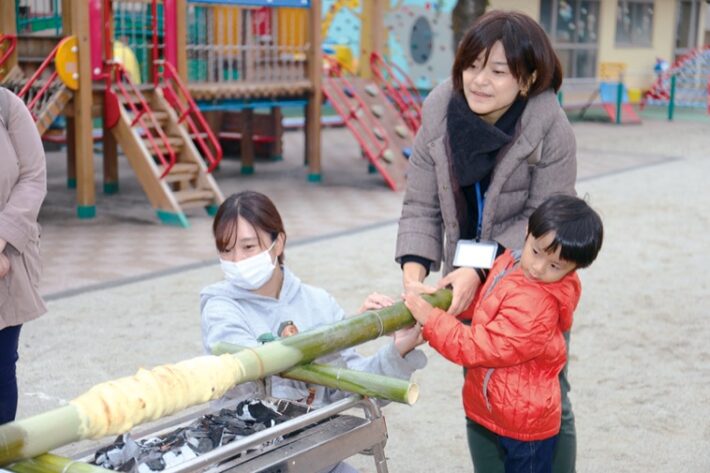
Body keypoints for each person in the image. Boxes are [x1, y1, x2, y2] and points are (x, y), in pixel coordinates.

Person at [395, 10, 579, 472]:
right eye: (472, 65)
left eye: (498, 71)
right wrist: (414, 279)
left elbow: (545, 223)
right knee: (481, 384)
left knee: (543, 388)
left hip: (531, 277)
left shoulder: (549, 125)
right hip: (464, 270)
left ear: (528, 77)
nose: (478, 80)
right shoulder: (439, 110)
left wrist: (479, 269)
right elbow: (420, 204)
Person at [200, 191, 426, 471]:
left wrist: (397, 349)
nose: (236, 260)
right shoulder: (219, 306)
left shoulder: (318, 302)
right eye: (226, 250)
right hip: (248, 457)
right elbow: (253, 362)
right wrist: (335, 334)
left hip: (313, 456)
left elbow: (350, 390)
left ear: (278, 242)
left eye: (248, 247)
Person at [404, 195, 603, 473]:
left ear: (574, 268)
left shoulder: (537, 307)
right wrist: (448, 303)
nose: (538, 267)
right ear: (526, 233)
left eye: (555, 266)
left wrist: (433, 320)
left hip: (525, 424)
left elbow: (480, 346)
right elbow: (487, 304)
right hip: (499, 406)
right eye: (536, 252)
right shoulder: (510, 262)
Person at [0, 87, 47, 424]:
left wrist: (1, 239)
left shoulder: (7, 105)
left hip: (9, 263)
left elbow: (33, 177)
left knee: (2, 365)